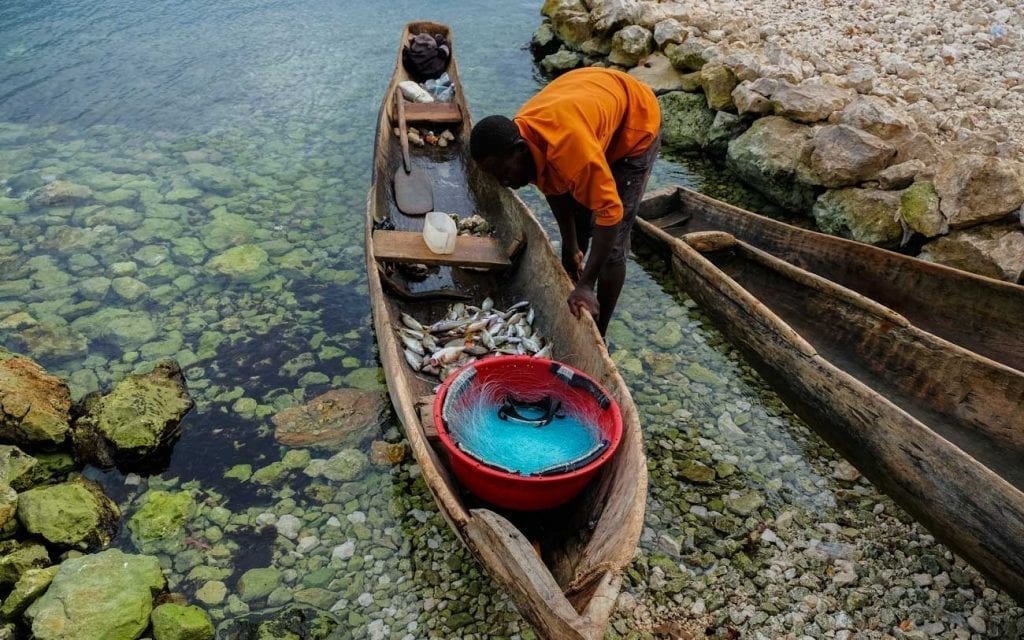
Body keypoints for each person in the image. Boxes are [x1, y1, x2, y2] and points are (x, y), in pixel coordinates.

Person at [469, 67, 661, 336]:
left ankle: (600, 330)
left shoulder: (570, 151)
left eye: (503, 173)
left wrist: (586, 284)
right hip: (592, 104)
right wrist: (570, 244)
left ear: (520, 150)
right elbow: (554, 187)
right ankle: (579, 274)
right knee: (581, 220)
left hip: (635, 122)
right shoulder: (523, 141)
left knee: (613, 249)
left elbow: (611, 214)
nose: (503, 181)